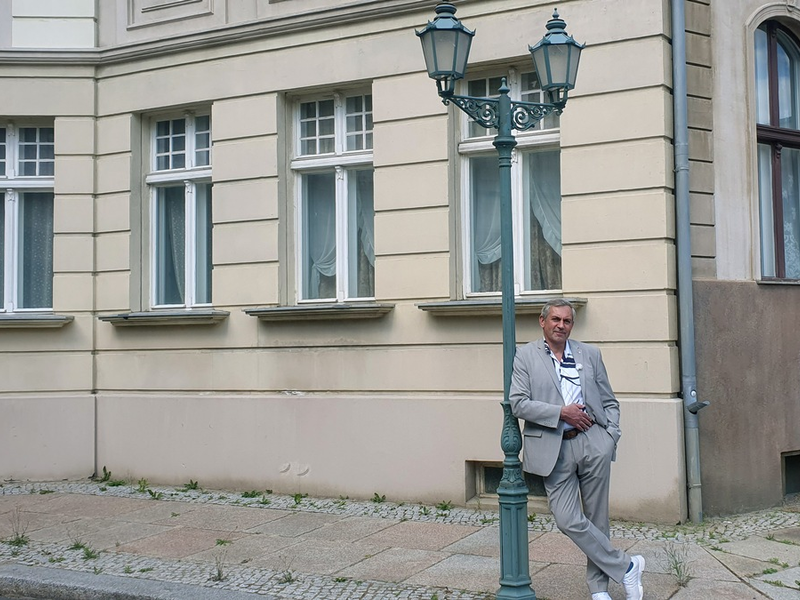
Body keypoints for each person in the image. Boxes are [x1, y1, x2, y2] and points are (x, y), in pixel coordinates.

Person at [509, 299, 645, 600]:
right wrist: (561, 412)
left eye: (567, 321)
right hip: (553, 446)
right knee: (567, 518)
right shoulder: (526, 356)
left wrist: (610, 435)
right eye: (555, 319)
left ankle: (599, 590)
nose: (561, 325)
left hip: (592, 442)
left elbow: (609, 401)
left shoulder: (590, 354)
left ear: (572, 324)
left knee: (597, 518)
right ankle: (626, 567)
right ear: (542, 322)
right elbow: (518, 402)